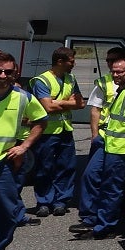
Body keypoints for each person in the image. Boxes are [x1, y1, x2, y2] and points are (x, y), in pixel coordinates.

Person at [70, 57, 125, 239]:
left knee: (111, 188)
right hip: (108, 144)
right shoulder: (121, 90)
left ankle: (104, 228)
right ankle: (91, 219)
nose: (115, 75)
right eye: (113, 71)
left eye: (119, 72)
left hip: (121, 149)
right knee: (90, 175)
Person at [0, 52, 47, 250]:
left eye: (8, 71)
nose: (2, 75)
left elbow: (41, 121)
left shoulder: (23, 97)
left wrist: (24, 146)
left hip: (3, 164)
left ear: (15, 72)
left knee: (6, 215)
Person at [29, 46, 84, 216]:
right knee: (44, 167)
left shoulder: (71, 79)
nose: (73, 64)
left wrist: (58, 102)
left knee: (67, 167)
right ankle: (44, 201)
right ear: (60, 61)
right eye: (71, 61)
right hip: (46, 132)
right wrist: (67, 102)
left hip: (65, 131)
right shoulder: (42, 80)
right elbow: (48, 107)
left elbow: (80, 104)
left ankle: (61, 201)